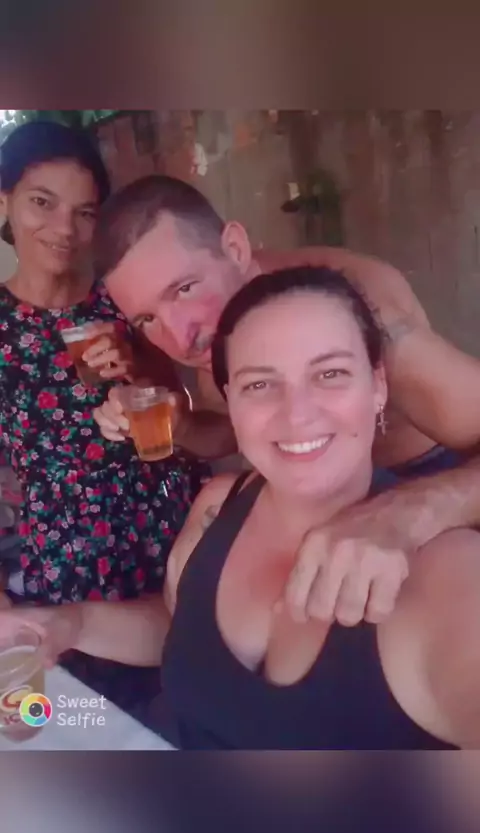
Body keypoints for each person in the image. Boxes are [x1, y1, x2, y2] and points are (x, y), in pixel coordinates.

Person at [4, 267, 480, 749]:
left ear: (377, 385)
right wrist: (70, 623)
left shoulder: (447, 571)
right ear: (230, 401)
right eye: (259, 385)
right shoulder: (218, 504)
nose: (297, 413)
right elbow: (181, 626)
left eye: (330, 374)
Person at [90, 174, 480, 626]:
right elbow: (231, 432)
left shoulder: (352, 314)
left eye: (184, 289)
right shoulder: (225, 328)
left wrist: (410, 511)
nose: (179, 337)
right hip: (325, 521)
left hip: (434, 496)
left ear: (235, 248)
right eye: (147, 319)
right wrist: (184, 427)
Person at [0, 122, 209, 604]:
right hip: (70, 558)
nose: (64, 230)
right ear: (6, 201)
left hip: (174, 529)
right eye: (42, 202)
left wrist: (137, 367)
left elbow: (183, 410)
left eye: (85, 212)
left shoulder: (124, 298)